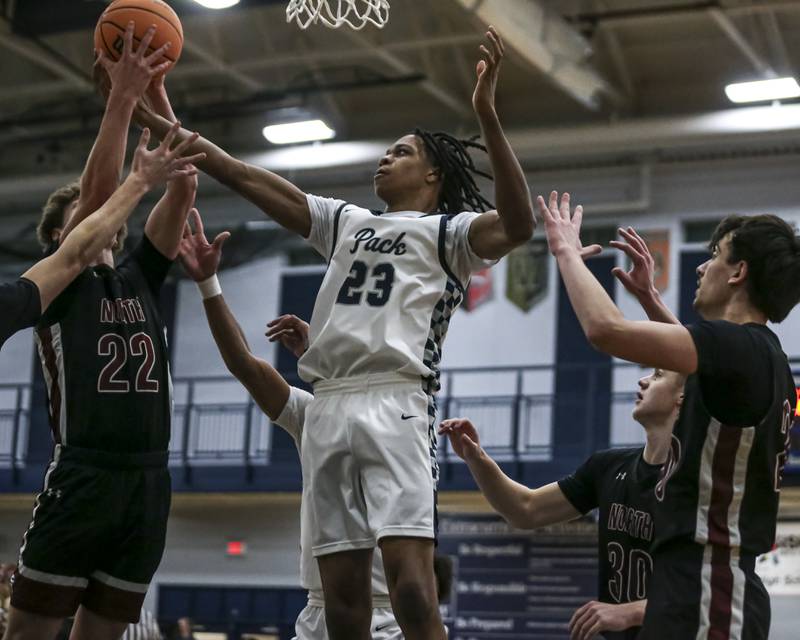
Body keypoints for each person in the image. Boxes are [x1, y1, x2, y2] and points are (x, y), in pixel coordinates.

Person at [139, 26, 534, 640]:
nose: (385, 157)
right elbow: (236, 171)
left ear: (432, 176)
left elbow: (518, 223)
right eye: (386, 151)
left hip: (397, 400)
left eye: (401, 152)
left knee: (410, 589)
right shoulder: (346, 223)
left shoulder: (449, 234)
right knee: (342, 601)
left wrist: (487, 115)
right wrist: (141, 99)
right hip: (327, 405)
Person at [4, 23, 204, 640]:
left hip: (149, 481)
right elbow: (95, 206)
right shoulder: (61, 291)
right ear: (62, 236)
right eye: (85, 220)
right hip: (83, 476)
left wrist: (156, 91)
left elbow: (186, 177)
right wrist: (120, 103)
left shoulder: (141, 275)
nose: (108, 221)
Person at [538, 191, 800, 639]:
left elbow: (605, 330)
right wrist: (650, 299)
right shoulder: (753, 354)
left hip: (712, 579)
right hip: (695, 579)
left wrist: (565, 251)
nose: (701, 267)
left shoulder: (742, 348)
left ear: (739, 272)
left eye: (714, 255)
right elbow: (697, 364)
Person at [178, 211, 404, 639]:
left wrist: (321, 359)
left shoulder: (400, 406)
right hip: (319, 609)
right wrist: (209, 285)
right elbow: (245, 364)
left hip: (386, 614)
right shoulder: (313, 414)